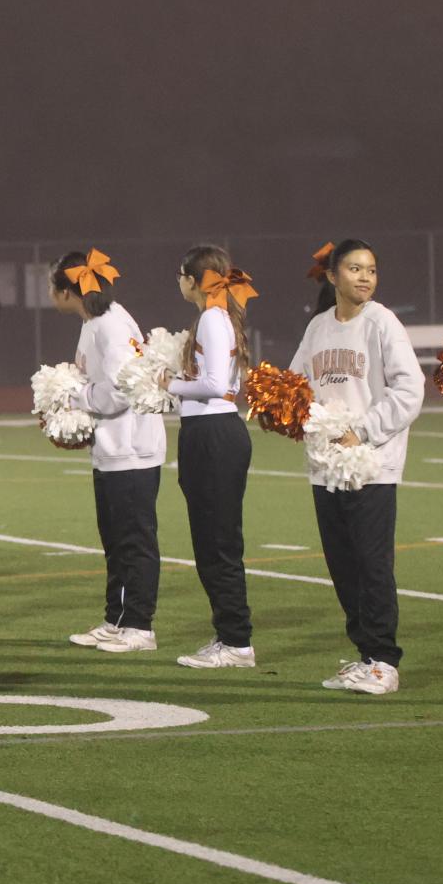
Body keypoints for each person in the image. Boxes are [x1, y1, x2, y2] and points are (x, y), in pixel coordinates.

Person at [292, 239, 424, 695]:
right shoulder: (318, 328)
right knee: (343, 566)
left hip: (372, 465)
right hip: (326, 467)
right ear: (332, 277)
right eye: (354, 269)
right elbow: (296, 387)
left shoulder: (383, 322)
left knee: (372, 565)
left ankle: (385, 661)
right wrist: (285, 408)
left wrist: (362, 431)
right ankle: (366, 655)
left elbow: (409, 390)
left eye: (371, 269)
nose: (365, 277)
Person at [50, 249, 167, 654]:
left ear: (68, 290)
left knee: (134, 541)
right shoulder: (96, 322)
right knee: (115, 541)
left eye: (54, 284)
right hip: (113, 449)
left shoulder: (108, 326)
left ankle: (140, 626)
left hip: (131, 450)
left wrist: (74, 395)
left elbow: (121, 390)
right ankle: (116, 619)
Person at [167, 245, 259, 669]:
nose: (178, 282)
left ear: (192, 279)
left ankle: (237, 641)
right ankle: (228, 633)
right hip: (209, 432)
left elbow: (215, 384)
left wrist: (169, 383)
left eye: (181, 275)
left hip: (214, 433)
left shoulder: (211, 317)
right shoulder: (219, 317)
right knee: (211, 542)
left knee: (217, 543)